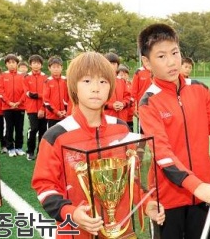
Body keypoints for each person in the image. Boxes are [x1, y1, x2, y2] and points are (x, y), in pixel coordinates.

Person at [31, 51, 165, 238]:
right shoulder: (57, 135)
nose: (96, 88)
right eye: (87, 81)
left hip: (121, 230)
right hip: (76, 233)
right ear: (74, 87)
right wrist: (70, 212)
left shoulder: (120, 129)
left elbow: (130, 177)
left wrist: (146, 202)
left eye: (103, 81)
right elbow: (45, 185)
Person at [137, 23, 210, 238]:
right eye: (161, 56)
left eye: (175, 53)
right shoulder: (148, 102)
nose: (171, 62)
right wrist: (195, 185)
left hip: (201, 197)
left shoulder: (199, 89)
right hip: (168, 201)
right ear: (146, 62)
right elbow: (162, 154)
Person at [0, 54, 26, 157]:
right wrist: (9, 103)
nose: (11, 64)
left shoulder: (22, 76)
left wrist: (19, 102)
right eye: (9, 63)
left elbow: (25, 91)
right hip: (7, 107)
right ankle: (10, 148)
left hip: (20, 107)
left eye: (13, 62)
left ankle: (19, 147)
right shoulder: (3, 76)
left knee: (19, 128)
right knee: (9, 128)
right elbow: (0, 91)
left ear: (17, 64)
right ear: (6, 64)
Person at [24, 55, 48, 161]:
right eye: (34, 63)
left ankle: (40, 152)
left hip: (44, 109)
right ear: (30, 64)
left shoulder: (45, 77)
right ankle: (30, 151)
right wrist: (40, 95)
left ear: (41, 65)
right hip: (31, 109)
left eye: (38, 63)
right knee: (33, 129)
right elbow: (28, 93)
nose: (36, 65)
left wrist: (43, 108)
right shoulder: (26, 77)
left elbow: (47, 95)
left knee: (43, 131)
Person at [103, 53, 131, 124]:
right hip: (107, 118)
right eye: (109, 63)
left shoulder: (121, 81)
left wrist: (123, 104)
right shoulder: (100, 81)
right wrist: (111, 105)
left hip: (122, 119)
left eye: (114, 64)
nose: (111, 66)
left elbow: (128, 97)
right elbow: (97, 101)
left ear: (117, 66)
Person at [43, 56, 69, 127]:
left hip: (65, 115)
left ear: (62, 67)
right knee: (53, 137)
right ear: (49, 68)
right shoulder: (47, 81)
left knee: (65, 136)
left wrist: (66, 110)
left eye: (58, 67)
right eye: (54, 67)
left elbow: (70, 97)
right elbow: (46, 101)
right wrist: (56, 112)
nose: (56, 69)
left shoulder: (66, 80)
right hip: (52, 116)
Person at [116, 64, 135, 131]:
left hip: (130, 115)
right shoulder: (117, 85)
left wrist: (134, 111)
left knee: (131, 132)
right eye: (121, 75)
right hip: (122, 115)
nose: (123, 76)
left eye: (125, 74)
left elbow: (132, 98)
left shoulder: (131, 85)